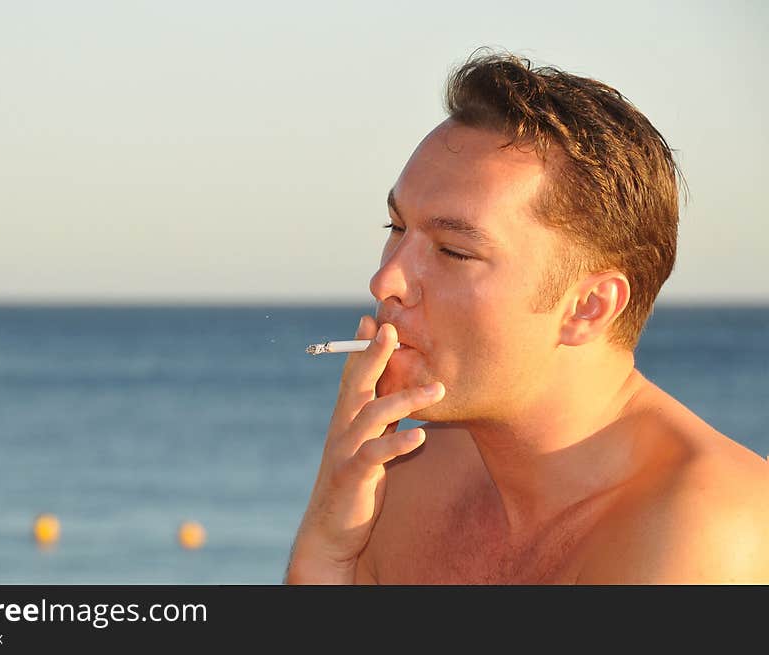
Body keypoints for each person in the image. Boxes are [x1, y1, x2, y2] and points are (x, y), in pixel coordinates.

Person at [285, 49, 769, 584]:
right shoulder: (400, 480)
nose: (386, 282)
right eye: (396, 229)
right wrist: (325, 549)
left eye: (453, 252)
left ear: (589, 307)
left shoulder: (707, 533)